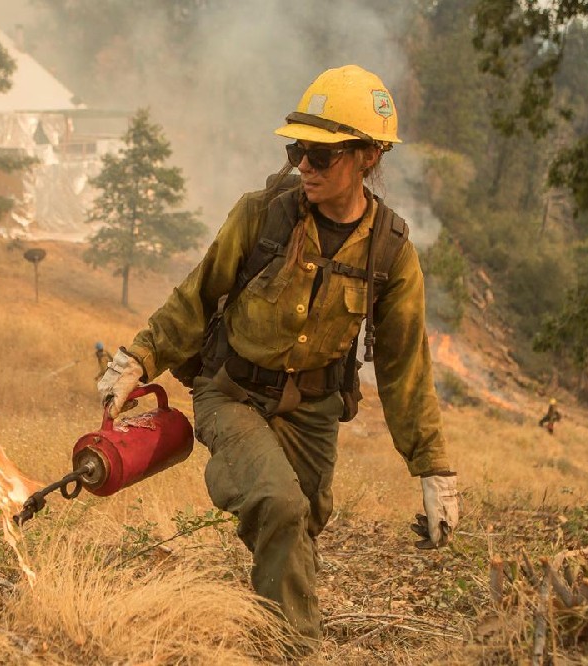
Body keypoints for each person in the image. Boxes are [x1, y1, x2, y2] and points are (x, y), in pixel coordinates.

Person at [97, 65, 458, 646]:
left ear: (367, 157)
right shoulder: (262, 213)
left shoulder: (390, 252)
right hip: (231, 392)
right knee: (278, 503)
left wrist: (434, 469)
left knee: (303, 521)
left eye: (322, 155)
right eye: (298, 151)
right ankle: (292, 650)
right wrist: (137, 360)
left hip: (313, 408)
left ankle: (260, 619)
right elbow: (197, 294)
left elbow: (405, 367)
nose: (305, 167)